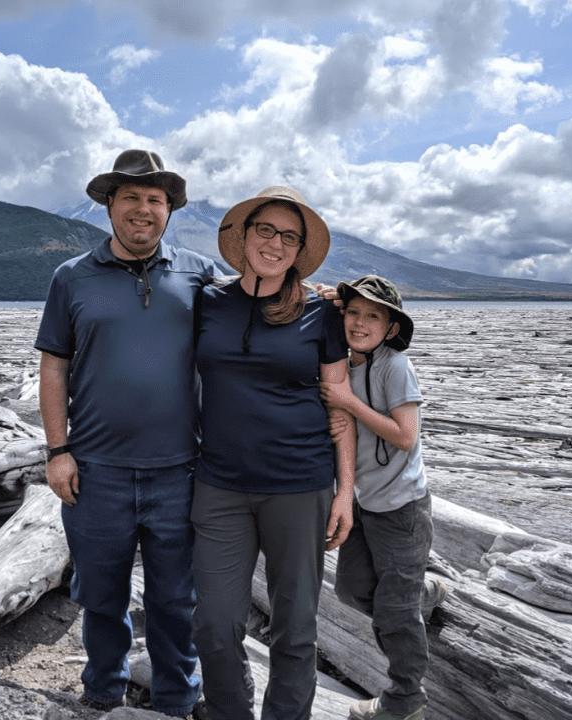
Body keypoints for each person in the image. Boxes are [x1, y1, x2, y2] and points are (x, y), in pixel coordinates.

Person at [34, 149, 218, 717]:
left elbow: (254, 322)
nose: (144, 209)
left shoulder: (199, 274)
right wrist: (58, 450)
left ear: (169, 210)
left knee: (175, 601)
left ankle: (175, 701)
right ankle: (103, 694)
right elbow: (53, 367)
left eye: (155, 199)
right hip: (96, 472)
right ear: (109, 205)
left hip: (180, 472)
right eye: (132, 197)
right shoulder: (72, 277)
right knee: (101, 596)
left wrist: (319, 299)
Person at [190, 186, 357, 720]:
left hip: (300, 484)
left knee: (295, 626)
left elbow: (340, 405)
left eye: (289, 236)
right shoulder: (207, 302)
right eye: (266, 230)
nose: (276, 243)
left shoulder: (320, 311)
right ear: (243, 236)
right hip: (219, 486)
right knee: (214, 624)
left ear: (299, 249)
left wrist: (345, 491)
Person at [319, 275, 448, 720]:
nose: (359, 322)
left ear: (391, 328)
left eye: (372, 315)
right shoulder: (342, 364)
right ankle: (425, 594)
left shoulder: (395, 366)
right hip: (363, 504)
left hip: (403, 510)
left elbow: (406, 437)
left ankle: (405, 699)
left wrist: (347, 402)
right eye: (352, 312)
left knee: (394, 613)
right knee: (351, 591)